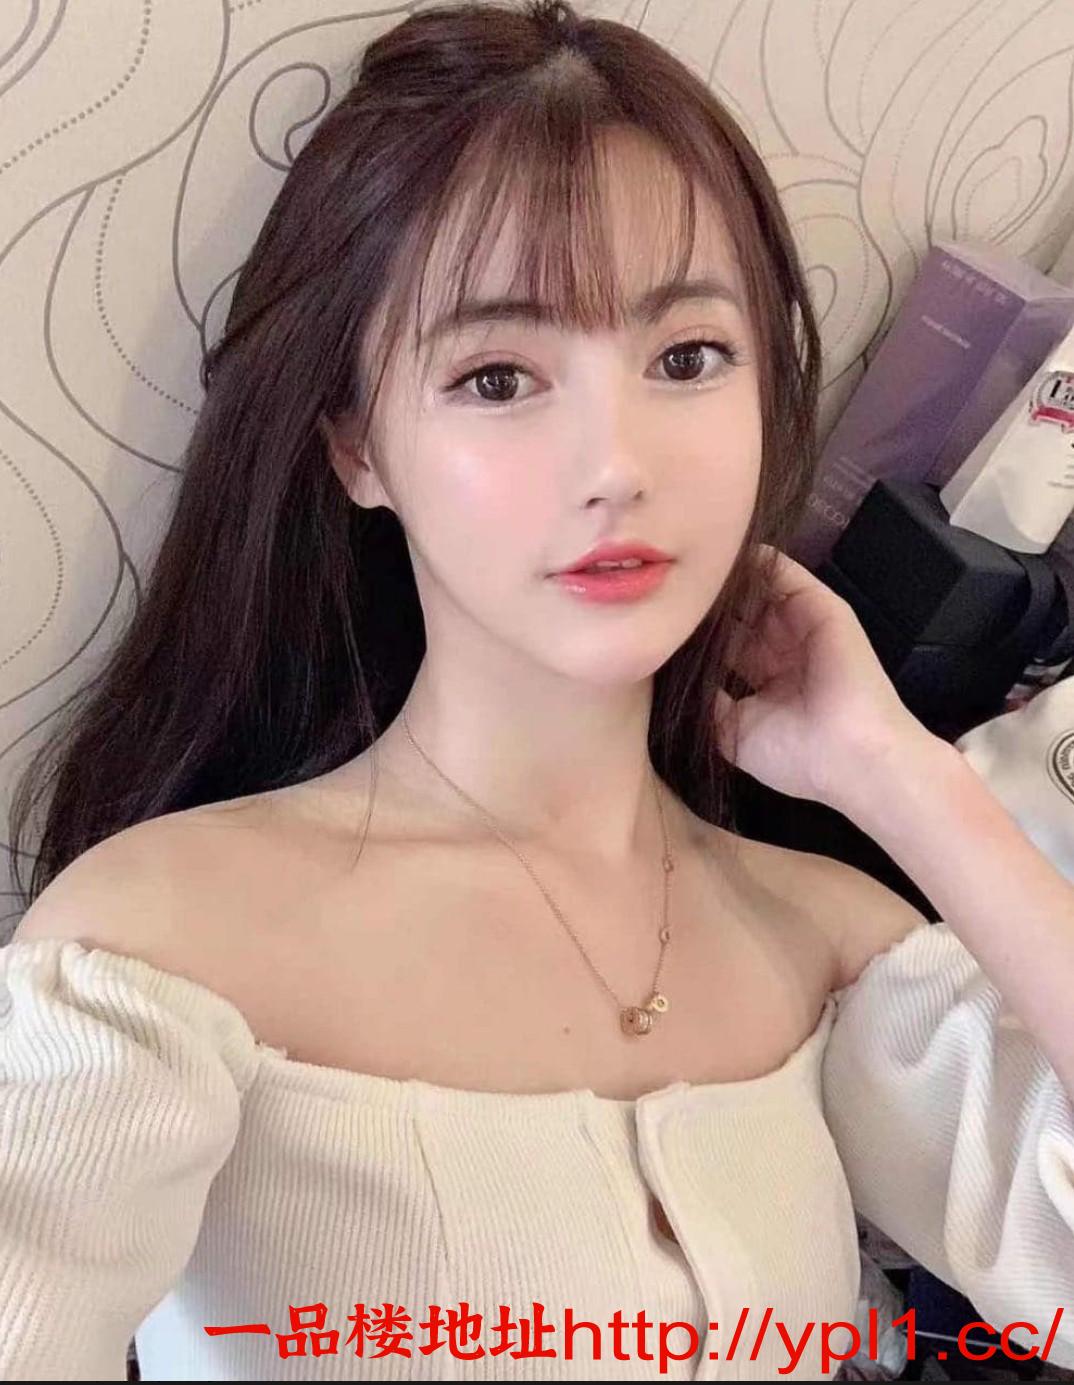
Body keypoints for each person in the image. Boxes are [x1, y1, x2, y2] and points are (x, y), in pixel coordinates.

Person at [2, 1, 1072, 1380]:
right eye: (497, 376)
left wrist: (906, 781)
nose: (615, 462)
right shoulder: (158, 951)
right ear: (358, 449)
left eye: (687, 358)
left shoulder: (830, 946)